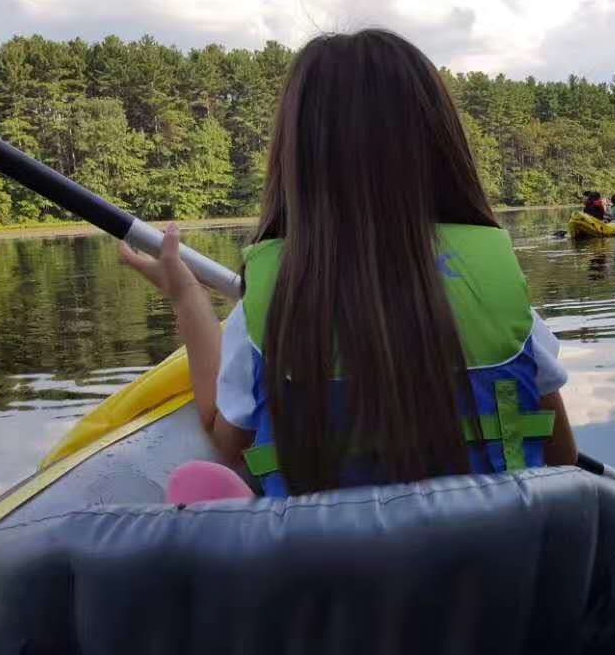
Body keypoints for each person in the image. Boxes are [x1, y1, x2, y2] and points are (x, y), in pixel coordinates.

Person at [120, 29, 577, 499]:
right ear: (443, 150)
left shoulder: (264, 311)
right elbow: (561, 457)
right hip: (498, 565)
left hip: (329, 568)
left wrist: (187, 298)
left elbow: (223, 436)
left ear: (294, 160)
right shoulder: (500, 292)